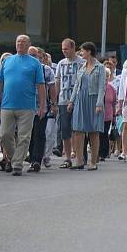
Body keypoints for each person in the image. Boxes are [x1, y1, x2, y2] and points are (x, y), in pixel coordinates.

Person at [0, 35, 46, 176]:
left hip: (27, 106)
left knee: (24, 136)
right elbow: (0, 82)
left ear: (29, 44)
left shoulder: (35, 63)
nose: (20, 44)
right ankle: (15, 157)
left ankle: (17, 164)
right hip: (7, 104)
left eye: (23, 42)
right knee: (4, 134)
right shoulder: (7, 61)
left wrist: (42, 105)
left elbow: (41, 85)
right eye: (18, 41)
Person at [66, 42, 106, 170]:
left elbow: (101, 87)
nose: (80, 52)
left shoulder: (100, 68)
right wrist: (71, 101)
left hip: (93, 99)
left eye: (82, 50)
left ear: (89, 51)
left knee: (94, 131)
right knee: (78, 130)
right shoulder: (81, 67)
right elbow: (77, 85)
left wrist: (99, 103)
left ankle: (93, 161)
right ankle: (79, 160)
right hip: (81, 99)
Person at [54, 38, 84, 169]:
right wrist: (55, 100)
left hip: (78, 100)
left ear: (73, 48)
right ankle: (67, 157)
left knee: (78, 129)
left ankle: (79, 156)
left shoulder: (82, 62)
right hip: (63, 100)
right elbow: (57, 81)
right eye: (62, 49)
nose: (64, 51)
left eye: (66, 49)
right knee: (65, 130)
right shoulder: (61, 63)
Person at [27, 46, 57, 172]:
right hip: (26, 106)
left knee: (39, 133)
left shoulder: (47, 70)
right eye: (32, 56)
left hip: (41, 106)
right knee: (29, 134)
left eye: (37, 56)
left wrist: (54, 104)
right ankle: (31, 156)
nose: (34, 58)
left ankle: (36, 160)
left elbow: (52, 87)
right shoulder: (25, 69)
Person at [100, 64, 117, 160]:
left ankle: (104, 153)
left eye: (107, 76)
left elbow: (114, 103)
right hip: (98, 114)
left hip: (108, 115)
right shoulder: (97, 87)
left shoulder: (112, 88)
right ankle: (99, 152)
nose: (105, 78)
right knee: (99, 134)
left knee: (104, 133)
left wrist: (114, 116)